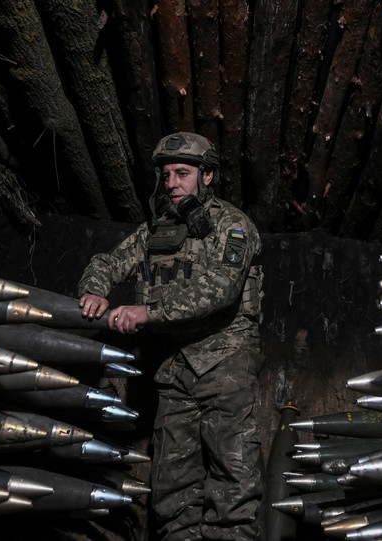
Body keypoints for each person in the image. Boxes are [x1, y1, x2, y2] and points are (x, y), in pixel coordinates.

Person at [77, 132, 265, 540]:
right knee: (172, 491)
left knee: (233, 484)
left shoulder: (232, 226)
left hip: (224, 364)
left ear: (208, 176)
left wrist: (147, 312)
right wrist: (94, 287)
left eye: (183, 173)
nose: (172, 183)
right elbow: (109, 261)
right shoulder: (156, 230)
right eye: (166, 175)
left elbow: (221, 289)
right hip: (173, 371)